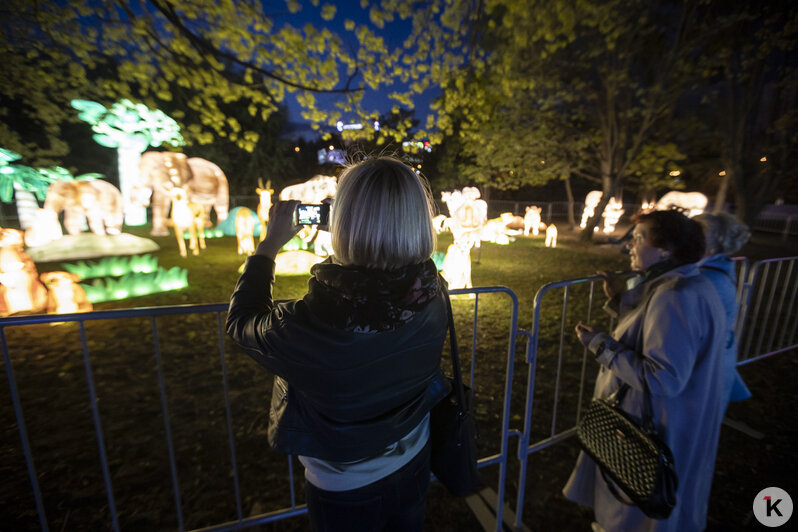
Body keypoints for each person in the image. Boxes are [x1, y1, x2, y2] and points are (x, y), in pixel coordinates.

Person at [226, 156, 450, 532]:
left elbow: (242, 322)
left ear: (341, 222)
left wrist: (267, 249)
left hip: (346, 484)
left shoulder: (313, 322)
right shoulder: (434, 292)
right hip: (414, 453)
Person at [564, 209, 728, 532]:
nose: (630, 246)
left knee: (635, 510)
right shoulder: (694, 284)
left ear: (666, 248)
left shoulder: (674, 296)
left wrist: (599, 344)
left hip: (654, 428)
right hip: (678, 423)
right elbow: (652, 334)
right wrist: (622, 300)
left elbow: (662, 376)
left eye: (639, 238)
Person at [694, 212, 752, 409]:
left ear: (713, 245)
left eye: (696, 234)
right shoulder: (713, 270)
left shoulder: (708, 279)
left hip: (705, 367)